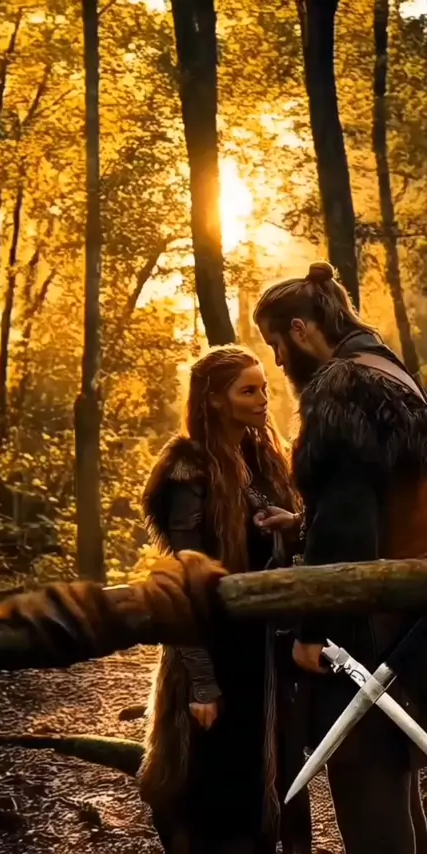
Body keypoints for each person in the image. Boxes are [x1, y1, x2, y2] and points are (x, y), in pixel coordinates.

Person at [252, 260, 427, 854]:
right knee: (395, 775)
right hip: (407, 611)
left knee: (367, 781)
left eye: (276, 344)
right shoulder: (388, 370)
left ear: (300, 329)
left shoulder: (339, 387)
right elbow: (377, 500)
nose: (278, 361)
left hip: (366, 625)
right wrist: (304, 523)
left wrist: (313, 631)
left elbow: (350, 525)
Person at [138, 345, 311, 854]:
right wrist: (202, 682)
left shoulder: (264, 459)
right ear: (214, 399)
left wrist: (289, 529)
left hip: (264, 656)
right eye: (248, 390)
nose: (263, 399)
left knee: (264, 790)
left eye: (263, 387)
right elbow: (184, 578)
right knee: (210, 797)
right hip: (212, 652)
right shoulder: (188, 470)